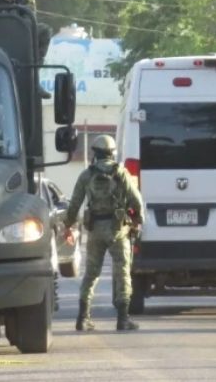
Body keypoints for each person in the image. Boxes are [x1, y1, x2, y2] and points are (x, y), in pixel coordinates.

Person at [64, 135, 143, 332]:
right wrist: (138, 221)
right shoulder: (121, 173)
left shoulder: (86, 175)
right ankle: (123, 319)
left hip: (94, 231)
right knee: (122, 271)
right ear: (112, 152)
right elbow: (136, 201)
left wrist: (67, 226)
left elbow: (74, 205)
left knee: (91, 274)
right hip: (118, 230)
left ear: (95, 152)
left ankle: (83, 318)